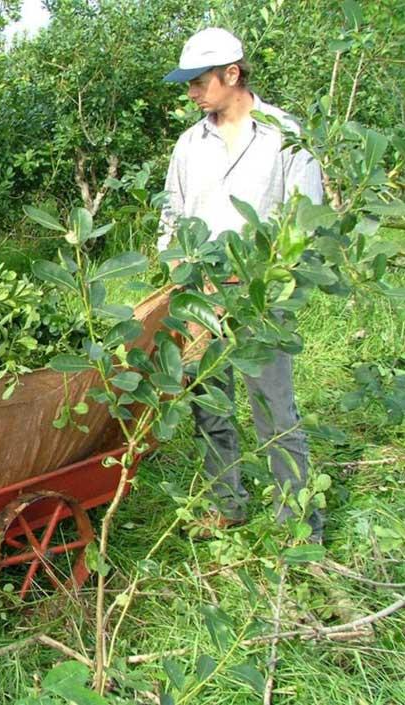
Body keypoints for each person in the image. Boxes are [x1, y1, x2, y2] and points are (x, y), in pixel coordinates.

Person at [158, 28, 325, 542]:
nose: (191, 93)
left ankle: (298, 527)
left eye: (199, 81)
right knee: (209, 402)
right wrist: (178, 275)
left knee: (274, 408)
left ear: (232, 74)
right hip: (201, 295)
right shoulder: (189, 145)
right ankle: (225, 503)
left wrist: (269, 278)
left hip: (260, 295)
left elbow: (306, 218)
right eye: (188, 84)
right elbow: (172, 215)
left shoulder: (283, 134)